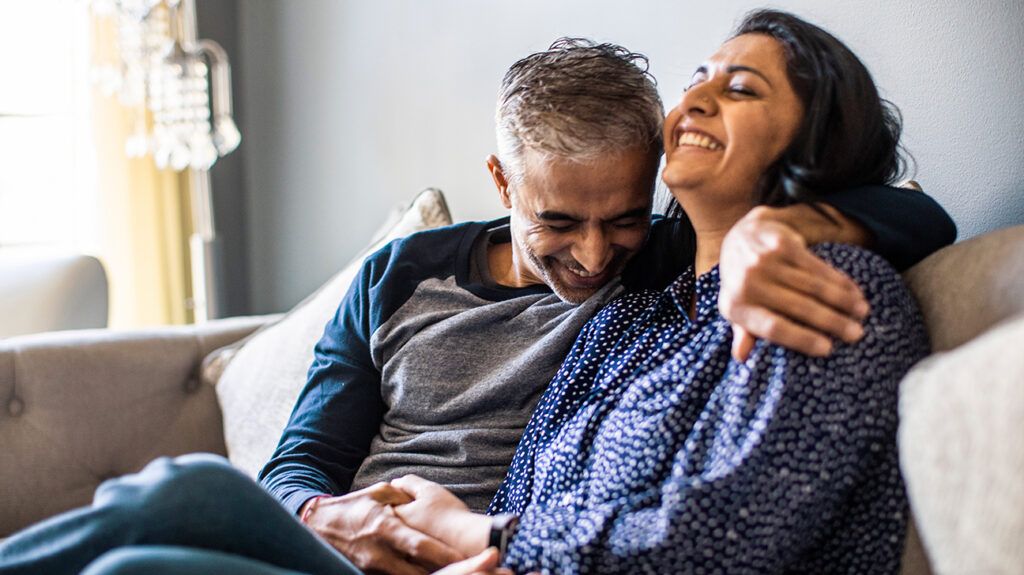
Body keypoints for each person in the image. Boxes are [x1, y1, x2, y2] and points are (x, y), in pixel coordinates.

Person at [0, 22, 949, 575]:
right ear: (502, 182)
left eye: (620, 220)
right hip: (397, 544)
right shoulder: (448, 282)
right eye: (558, 223)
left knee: (180, 500)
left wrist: (787, 227)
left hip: (470, 555)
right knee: (158, 540)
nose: (590, 258)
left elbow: (914, 212)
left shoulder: (701, 279)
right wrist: (335, 515)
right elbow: (304, 458)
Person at [369, 10, 930, 573]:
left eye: (739, 89)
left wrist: (483, 537)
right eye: (696, 82)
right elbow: (524, 491)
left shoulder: (829, 289)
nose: (699, 100)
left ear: (818, 140)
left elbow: (726, 542)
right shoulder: (631, 311)